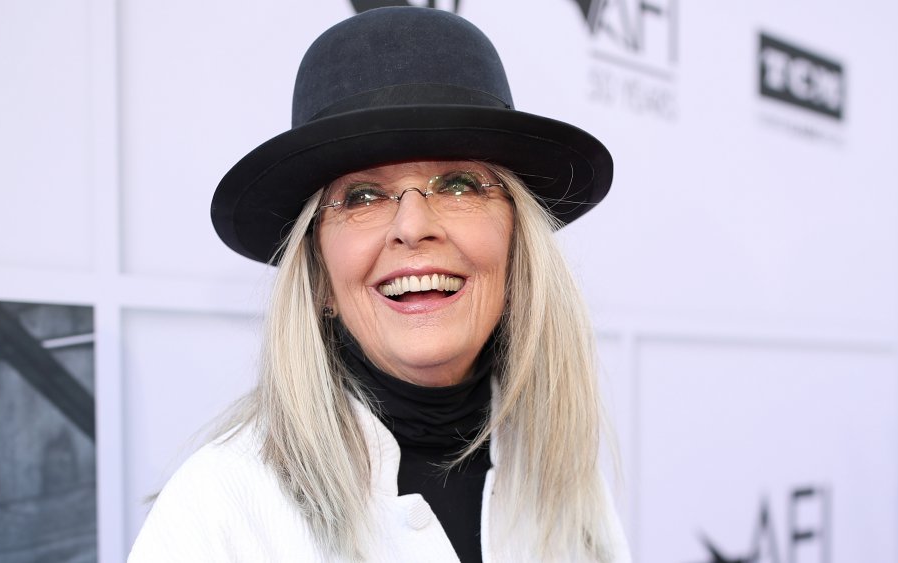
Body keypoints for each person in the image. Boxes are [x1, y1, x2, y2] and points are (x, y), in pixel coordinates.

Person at [129, 6, 630, 563]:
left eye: (460, 185)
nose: (413, 226)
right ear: (318, 276)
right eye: (362, 197)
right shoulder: (219, 512)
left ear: (518, 252)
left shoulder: (562, 474)